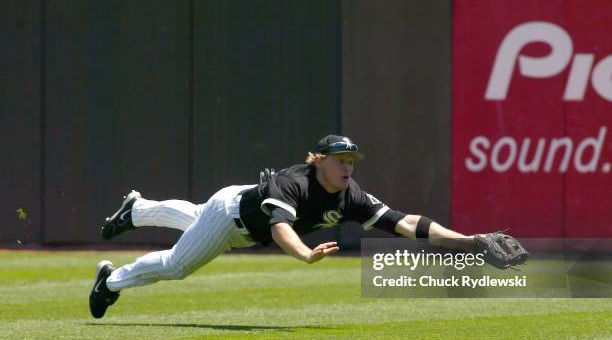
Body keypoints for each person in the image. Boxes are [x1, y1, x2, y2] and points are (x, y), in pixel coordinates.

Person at [89, 135, 525, 318]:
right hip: (233, 217)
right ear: (320, 161)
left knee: (193, 216)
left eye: (352, 161)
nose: (348, 167)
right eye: (341, 160)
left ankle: (138, 209)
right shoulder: (295, 182)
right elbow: (281, 228)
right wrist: (304, 254)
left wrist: (468, 241)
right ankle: (113, 280)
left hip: (242, 214)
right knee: (178, 265)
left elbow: (404, 223)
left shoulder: (350, 194)